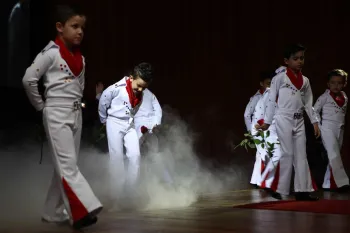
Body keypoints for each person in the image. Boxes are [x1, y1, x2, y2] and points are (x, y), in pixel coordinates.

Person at [22, 5, 102, 229]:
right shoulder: (50, 54)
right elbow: (28, 79)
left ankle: (52, 212)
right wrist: (41, 107)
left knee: (67, 164)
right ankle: (82, 211)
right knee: (68, 166)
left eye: (82, 28)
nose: (80, 31)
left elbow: (80, 86)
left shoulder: (81, 59)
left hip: (75, 112)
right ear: (60, 27)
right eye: (74, 26)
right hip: (56, 111)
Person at [258, 43, 320, 200]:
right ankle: (280, 189)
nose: (299, 61)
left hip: (299, 120)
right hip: (283, 118)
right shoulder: (279, 79)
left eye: (302, 58)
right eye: (295, 58)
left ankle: (302, 190)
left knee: (301, 155)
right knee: (288, 153)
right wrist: (267, 122)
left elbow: (308, 103)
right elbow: (272, 101)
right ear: (286, 61)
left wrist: (314, 122)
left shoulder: (305, 81)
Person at [98, 62, 153, 196]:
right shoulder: (116, 88)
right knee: (116, 158)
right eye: (139, 86)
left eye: (144, 88)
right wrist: (104, 119)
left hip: (129, 124)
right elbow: (103, 101)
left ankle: (129, 192)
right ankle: (116, 195)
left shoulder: (141, 94)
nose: (140, 89)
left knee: (135, 156)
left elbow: (135, 109)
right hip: (114, 122)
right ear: (131, 78)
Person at [313, 69, 350, 192]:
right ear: (328, 84)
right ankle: (343, 183)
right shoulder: (324, 97)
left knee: (334, 156)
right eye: (333, 83)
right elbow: (314, 110)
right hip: (327, 128)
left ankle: (327, 184)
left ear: (344, 84)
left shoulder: (344, 96)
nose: (336, 86)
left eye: (339, 83)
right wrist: (317, 125)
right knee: (334, 154)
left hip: (340, 129)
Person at [247, 72, 272, 187]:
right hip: (257, 129)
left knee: (261, 154)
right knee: (264, 154)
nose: (270, 85)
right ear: (261, 83)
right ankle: (265, 181)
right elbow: (247, 115)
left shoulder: (272, 95)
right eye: (268, 83)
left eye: (272, 83)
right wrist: (250, 132)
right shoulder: (256, 98)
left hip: (268, 127)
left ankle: (256, 181)